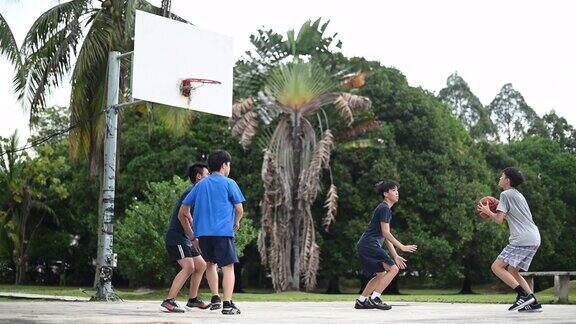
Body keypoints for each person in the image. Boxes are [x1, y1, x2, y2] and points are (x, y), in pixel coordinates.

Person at [180, 150, 245, 315]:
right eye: (229, 165)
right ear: (224, 165)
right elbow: (239, 208)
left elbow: (184, 210)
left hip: (203, 235)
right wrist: (236, 221)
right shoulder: (229, 183)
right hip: (222, 232)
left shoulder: (200, 184)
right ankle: (228, 304)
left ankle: (215, 297)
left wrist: (193, 234)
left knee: (210, 264)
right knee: (228, 267)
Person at [477, 167, 542, 312]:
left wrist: (489, 212)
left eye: (502, 177)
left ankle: (523, 295)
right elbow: (508, 216)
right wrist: (496, 212)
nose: (499, 179)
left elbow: (499, 220)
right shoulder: (518, 195)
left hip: (522, 239)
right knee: (513, 270)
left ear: (507, 181)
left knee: (496, 267)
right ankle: (533, 303)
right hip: (534, 237)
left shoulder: (505, 194)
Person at [354, 180, 417, 310]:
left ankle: (362, 301)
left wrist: (395, 256)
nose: (397, 193)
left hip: (365, 245)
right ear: (385, 194)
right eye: (393, 190)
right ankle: (375, 298)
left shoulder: (385, 209)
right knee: (393, 269)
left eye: (397, 190)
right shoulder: (384, 208)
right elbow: (386, 233)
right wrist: (402, 246)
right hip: (370, 245)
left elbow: (386, 236)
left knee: (381, 274)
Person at [160, 163, 210, 313]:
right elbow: (183, 216)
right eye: (207, 175)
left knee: (201, 265)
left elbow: (191, 216)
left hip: (185, 238)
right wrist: (193, 237)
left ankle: (193, 300)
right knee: (189, 267)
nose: (209, 179)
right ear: (199, 176)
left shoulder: (198, 192)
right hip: (177, 237)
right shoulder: (193, 190)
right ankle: (169, 301)